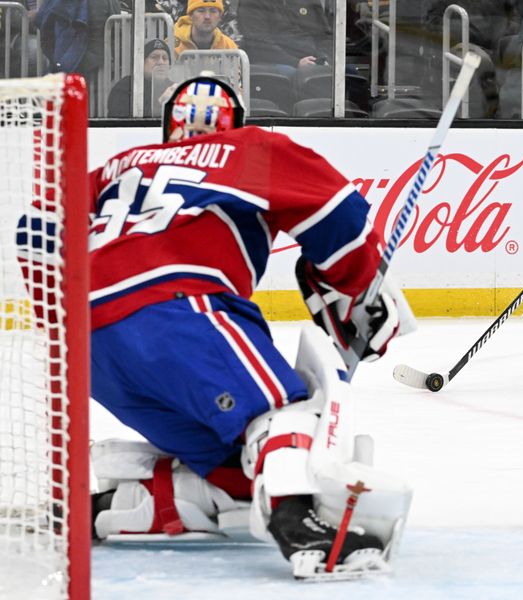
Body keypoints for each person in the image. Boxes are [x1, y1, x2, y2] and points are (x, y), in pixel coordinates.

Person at [85, 75, 414, 577]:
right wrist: (356, 292)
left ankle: (120, 503)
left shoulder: (115, 167)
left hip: (84, 342)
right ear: (235, 122)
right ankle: (302, 527)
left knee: (239, 461)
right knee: (286, 415)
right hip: (175, 308)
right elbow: (336, 210)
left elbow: (35, 231)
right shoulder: (247, 148)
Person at [107, 38, 172, 117]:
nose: (161, 62)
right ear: (141, 62)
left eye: (165, 58)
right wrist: (159, 103)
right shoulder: (125, 88)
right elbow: (123, 126)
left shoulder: (175, 88)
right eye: (155, 57)